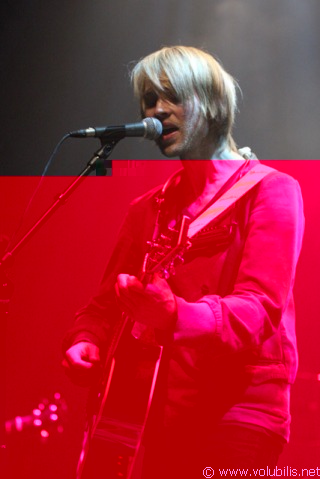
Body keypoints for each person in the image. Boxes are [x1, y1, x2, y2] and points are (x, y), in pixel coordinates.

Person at [62, 46, 305, 478]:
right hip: (158, 410)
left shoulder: (272, 191)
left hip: (240, 411)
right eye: (149, 101)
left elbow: (259, 309)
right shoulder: (147, 209)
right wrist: (88, 339)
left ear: (211, 102)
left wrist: (178, 316)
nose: (157, 111)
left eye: (172, 97)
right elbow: (104, 304)